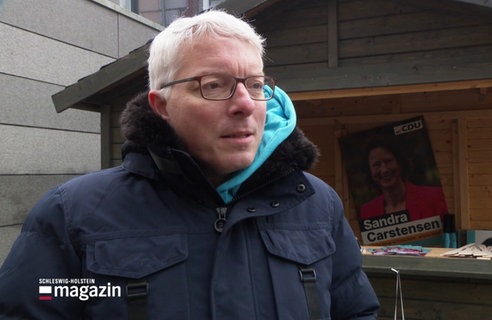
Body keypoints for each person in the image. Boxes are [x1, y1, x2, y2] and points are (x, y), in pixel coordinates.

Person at [0, 9, 379, 320]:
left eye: (257, 85)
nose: (246, 103)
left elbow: (354, 311)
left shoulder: (317, 205)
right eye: (214, 85)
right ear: (161, 105)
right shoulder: (72, 216)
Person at [360, 139, 448, 221]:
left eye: (388, 161)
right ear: (369, 171)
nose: (384, 170)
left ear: (400, 162)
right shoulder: (367, 212)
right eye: (376, 164)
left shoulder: (435, 197)